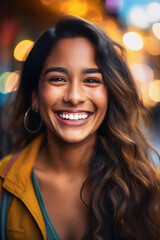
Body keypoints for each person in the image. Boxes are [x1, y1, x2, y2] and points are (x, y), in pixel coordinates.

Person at [0, 15, 160, 240]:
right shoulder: (3, 185)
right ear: (35, 96)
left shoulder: (149, 188)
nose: (74, 97)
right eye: (58, 79)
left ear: (110, 94)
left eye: (92, 80)